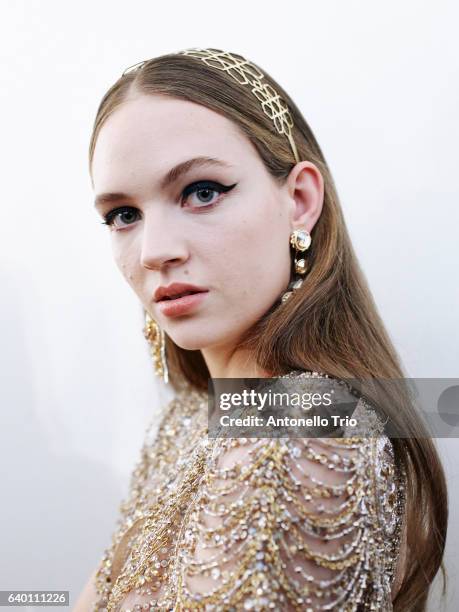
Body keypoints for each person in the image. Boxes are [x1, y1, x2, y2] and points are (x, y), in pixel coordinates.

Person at [75, 48, 447, 611]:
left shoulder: (303, 430)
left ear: (299, 200)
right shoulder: (184, 420)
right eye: (123, 215)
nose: (154, 252)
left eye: (202, 191)